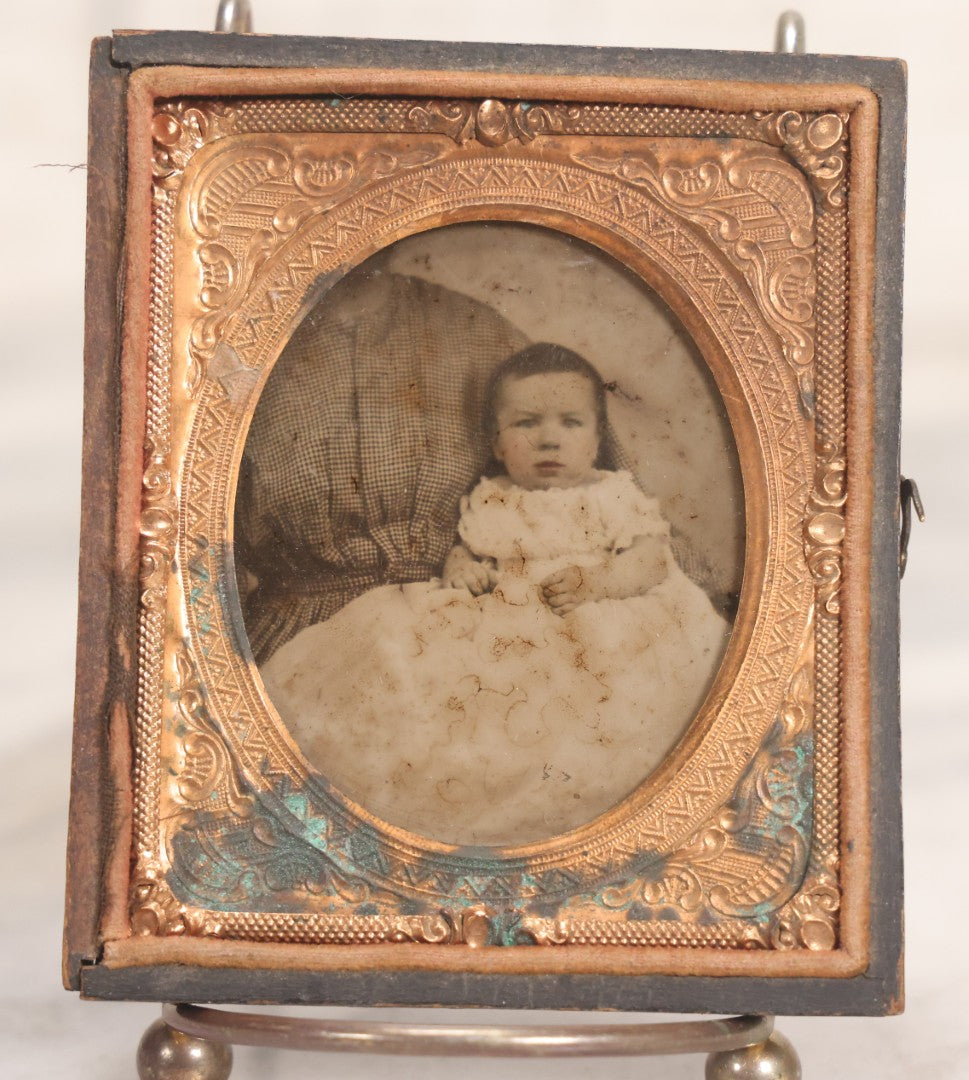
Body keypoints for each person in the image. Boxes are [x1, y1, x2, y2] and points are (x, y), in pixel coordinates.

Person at [261, 344, 729, 846]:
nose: (549, 439)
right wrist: (461, 568)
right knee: (435, 677)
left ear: (596, 440)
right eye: (527, 424)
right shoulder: (494, 495)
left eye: (571, 423)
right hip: (508, 622)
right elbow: (471, 549)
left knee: (597, 707)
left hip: (599, 614)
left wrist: (599, 583)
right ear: (498, 442)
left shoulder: (612, 494)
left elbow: (651, 560)